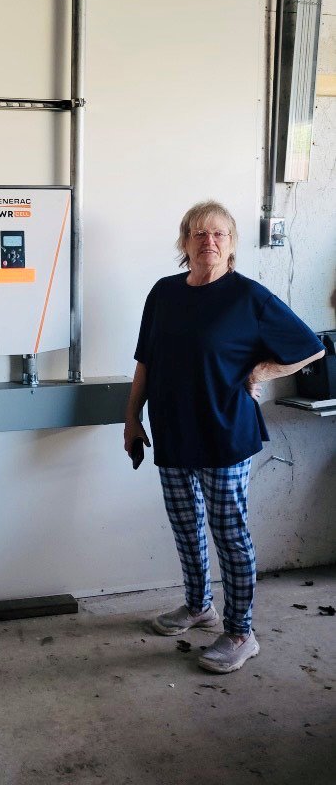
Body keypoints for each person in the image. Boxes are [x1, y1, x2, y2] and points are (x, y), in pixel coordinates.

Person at [124, 200, 325, 674]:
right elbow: (145, 363)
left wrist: (264, 369)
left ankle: (240, 631)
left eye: (218, 234)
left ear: (231, 245)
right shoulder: (163, 294)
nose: (208, 241)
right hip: (171, 431)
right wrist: (132, 418)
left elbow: (311, 348)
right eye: (198, 233)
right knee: (185, 525)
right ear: (185, 242)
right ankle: (198, 606)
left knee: (229, 534)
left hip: (225, 433)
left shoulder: (248, 297)